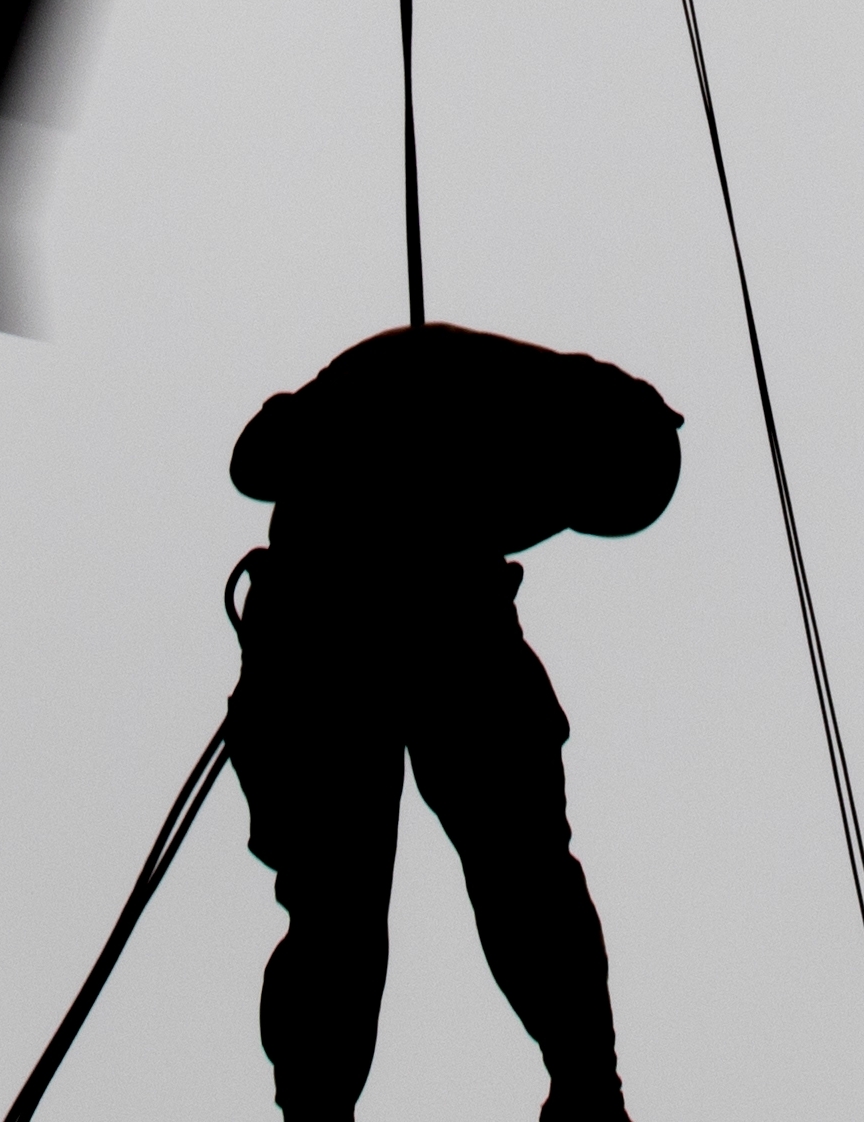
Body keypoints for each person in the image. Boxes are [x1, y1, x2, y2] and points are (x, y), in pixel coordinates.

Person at [225, 322, 683, 1122]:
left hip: (373, 628)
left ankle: (579, 1085)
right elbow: (259, 458)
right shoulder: (461, 394)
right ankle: (583, 1085)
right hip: (358, 628)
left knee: (421, 883)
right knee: (408, 884)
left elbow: (259, 458)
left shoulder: (504, 408)